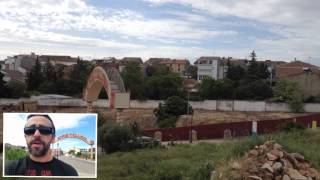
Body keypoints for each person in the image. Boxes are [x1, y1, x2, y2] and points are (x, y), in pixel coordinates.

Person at [5, 114, 78, 176]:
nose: (36, 134)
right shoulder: (10, 169)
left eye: (45, 130)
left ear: (53, 138)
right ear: (25, 137)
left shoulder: (69, 173)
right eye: (30, 130)